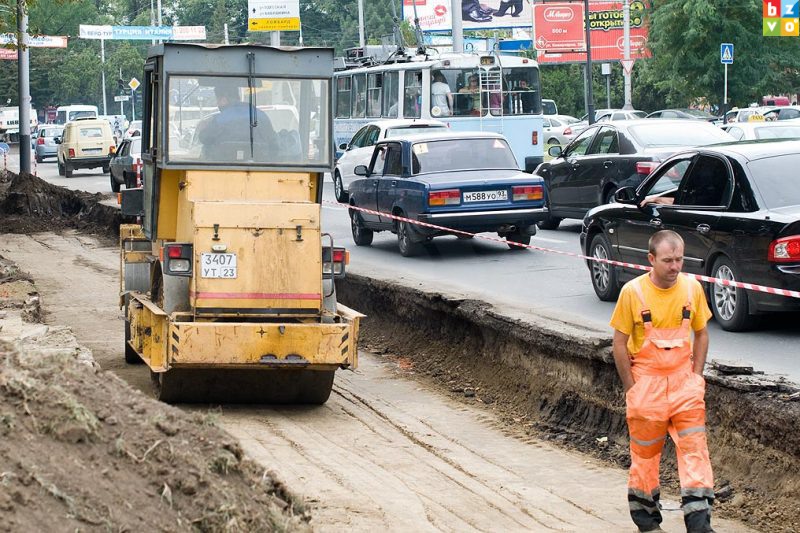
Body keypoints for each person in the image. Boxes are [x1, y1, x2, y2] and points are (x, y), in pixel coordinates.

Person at [610, 230, 715, 533]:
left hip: (684, 385)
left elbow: (702, 334)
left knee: (695, 452)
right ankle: (647, 522)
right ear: (651, 259)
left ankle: (699, 524)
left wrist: (696, 376)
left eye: (679, 259)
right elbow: (619, 343)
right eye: (668, 260)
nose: (675, 266)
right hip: (647, 387)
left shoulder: (692, 288)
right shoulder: (633, 292)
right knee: (645, 458)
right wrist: (632, 388)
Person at [198, 82, 277, 162]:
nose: (217, 103)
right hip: (259, 167)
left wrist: (202, 128)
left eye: (218, 100)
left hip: (221, 167)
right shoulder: (260, 115)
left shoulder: (219, 119)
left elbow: (204, 138)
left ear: (224, 100)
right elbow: (272, 141)